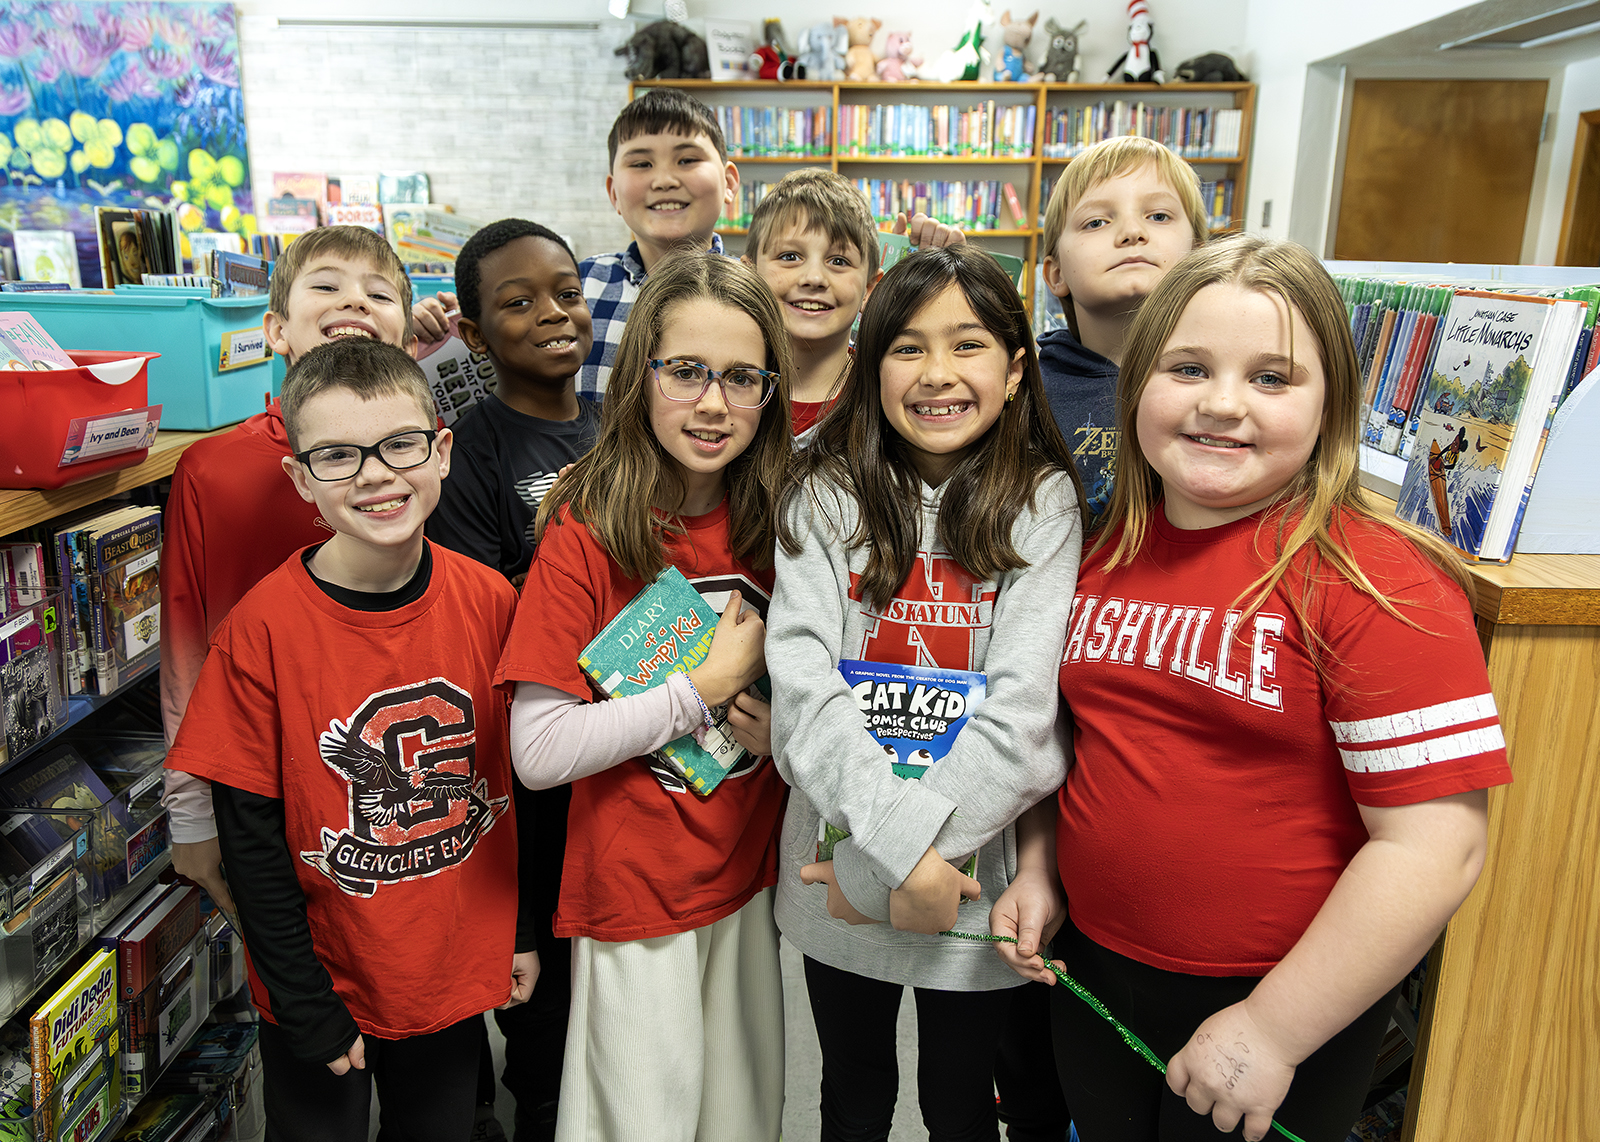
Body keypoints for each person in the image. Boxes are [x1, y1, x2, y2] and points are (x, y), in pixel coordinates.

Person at [991, 235, 1512, 1142]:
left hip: (1283, 1000)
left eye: (1273, 379)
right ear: (1136, 387)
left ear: (1331, 405)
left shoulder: (1378, 580)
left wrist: (1274, 1028)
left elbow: (1435, 850)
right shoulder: (1102, 551)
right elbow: (1061, 741)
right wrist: (1038, 868)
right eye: (1187, 367)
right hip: (1096, 969)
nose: (1222, 404)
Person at [165, 338, 536, 1142]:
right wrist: (302, 1001)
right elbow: (252, 838)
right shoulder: (260, 632)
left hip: (448, 969)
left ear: (441, 451)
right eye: (338, 455)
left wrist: (523, 930)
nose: (375, 474)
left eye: (400, 444)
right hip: (324, 982)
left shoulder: (488, 600)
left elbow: (515, 786)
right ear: (300, 479)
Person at [766, 244, 1084, 1142]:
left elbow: (1024, 721)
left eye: (969, 344)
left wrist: (899, 868)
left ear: (1017, 369)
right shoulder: (821, 496)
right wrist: (892, 864)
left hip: (970, 884)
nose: (938, 373)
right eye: (907, 347)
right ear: (870, 370)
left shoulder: (1045, 504)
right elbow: (804, 701)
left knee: (961, 1107)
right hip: (833, 868)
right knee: (851, 1097)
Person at [495, 251, 793, 1142]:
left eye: (742, 379)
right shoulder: (590, 526)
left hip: (746, 878)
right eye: (687, 372)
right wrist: (700, 690)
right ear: (641, 377)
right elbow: (538, 751)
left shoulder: (784, 513)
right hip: (635, 892)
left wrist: (787, 736)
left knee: (741, 1122)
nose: (713, 403)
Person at [163, 225, 424, 919]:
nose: (356, 301)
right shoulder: (213, 472)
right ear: (274, 328)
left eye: (380, 293)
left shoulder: (419, 458)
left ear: (405, 329)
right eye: (328, 285)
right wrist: (191, 813)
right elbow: (188, 648)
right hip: (262, 781)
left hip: (399, 779)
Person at [426, 217, 601, 1142]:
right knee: (536, 997)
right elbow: (483, 608)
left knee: (596, 987)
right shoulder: (475, 446)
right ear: (475, 330)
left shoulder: (620, 425)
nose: (551, 313)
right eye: (518, 302)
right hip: (524, 756)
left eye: (565, 291)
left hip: (619, 747)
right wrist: (588, 590)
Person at [580, 87, 963, 400]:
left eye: (686, 160)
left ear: (730, 183)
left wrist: (934, 271)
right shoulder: (579, 287)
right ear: (612, 192)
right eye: (641, 164)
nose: (663, 179)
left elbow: (887, 331)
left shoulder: (756, 296)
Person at [1036, 135, 1208, 520]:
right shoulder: (1021, 386)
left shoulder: (1226, 385)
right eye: (1096, 221)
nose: (1133, 232)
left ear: (1200, 256)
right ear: (1056, 273)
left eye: (1158, 216)